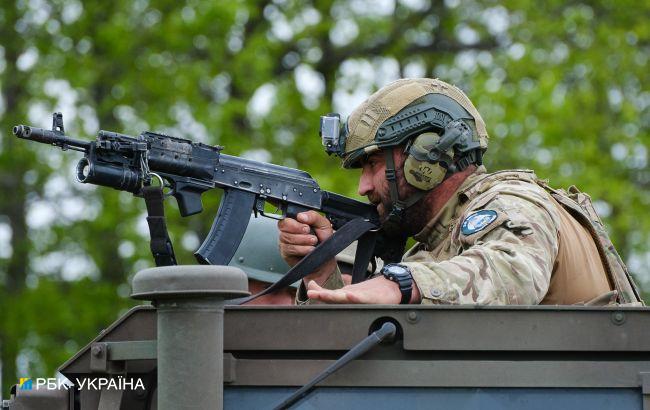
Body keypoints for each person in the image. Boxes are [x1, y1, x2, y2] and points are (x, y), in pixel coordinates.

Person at [278, 78, 643, 306]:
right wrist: (321, 270)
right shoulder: (435, 251)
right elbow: (358, 350)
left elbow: (513, 272)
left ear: (428, 156)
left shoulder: (512, 202)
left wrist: (400, 284)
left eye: (373, 164)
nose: (363, 187)